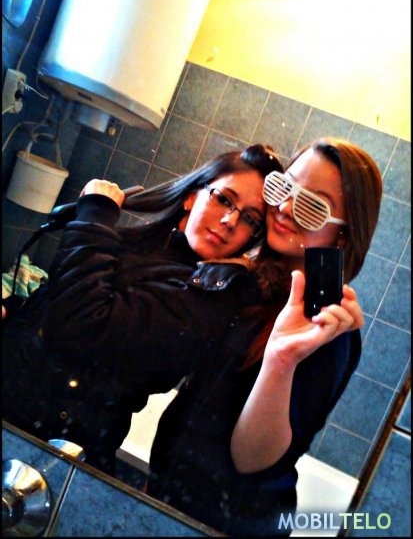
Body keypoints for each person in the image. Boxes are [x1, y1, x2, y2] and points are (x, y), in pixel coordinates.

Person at [146, 137, 383, 536]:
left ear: (342, 237)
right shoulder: (255, 281)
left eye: (312, 206)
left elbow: (252, 461)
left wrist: (280, 361)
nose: (286, 207)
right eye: (283, 187)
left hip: (231, 523)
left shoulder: (329, 326)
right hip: (169, 496)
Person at [2, 144, 284, 475]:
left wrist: (95, 216)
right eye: (223, 199)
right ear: (191, 197)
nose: (229, 220)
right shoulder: (147, 247)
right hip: (17, 419)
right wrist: (13, 314)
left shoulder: (211, 300)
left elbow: (79, 328)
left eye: (249, 218)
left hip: (47, 455)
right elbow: (59, 311)